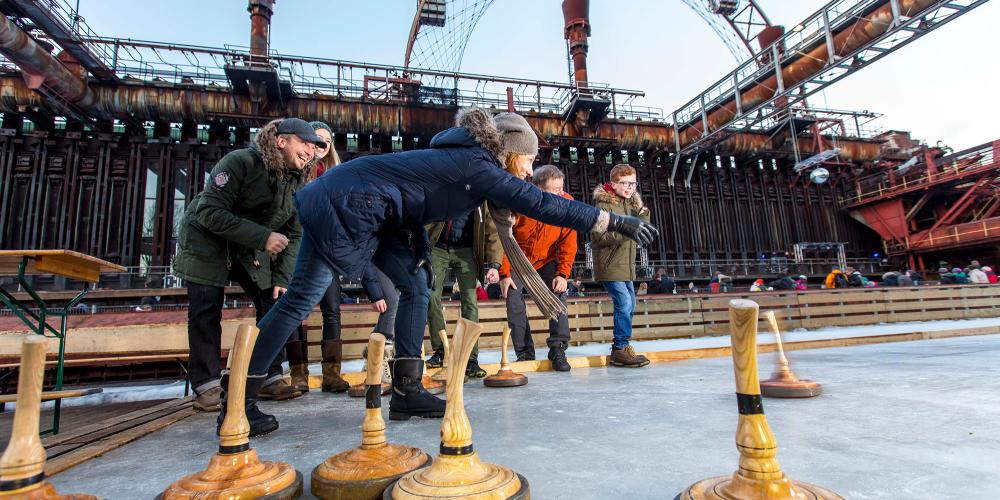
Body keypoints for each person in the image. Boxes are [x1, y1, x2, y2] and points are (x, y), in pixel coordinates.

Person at [230, 108, 656, 435]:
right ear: (509, 151)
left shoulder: (465, 162)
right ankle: (240, 400)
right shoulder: (476, 165)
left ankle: (407, 391)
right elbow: (541, 202)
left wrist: (416, 245)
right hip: (346, 204)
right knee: (304, 298)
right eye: (527, 159)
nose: (529, 169)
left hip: (373, 210)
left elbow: (414, 199)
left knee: (416, 283)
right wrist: (615, 221)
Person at [173, 118, 324, 412]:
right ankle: (206, 386)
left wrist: (282, 276)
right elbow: (209, 212)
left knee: (273, 300)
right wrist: (263, 236)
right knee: (206, 308)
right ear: (282, 141)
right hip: (207, 242)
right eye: (304, 143)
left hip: (249, 246)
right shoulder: (240, 162)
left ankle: (267, 376)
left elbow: (294, 234)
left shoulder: (298, 182)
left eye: (314, 146)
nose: (310, 150)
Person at [305, 121, 400, 394]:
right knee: (297, 309)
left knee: (335, 310)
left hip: (342, 253)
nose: (320, 147)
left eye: (326, 142)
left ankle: (362, 362)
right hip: (310, 248)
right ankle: (284, 373)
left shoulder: (341, 178)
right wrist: (373, 288)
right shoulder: (303, 176)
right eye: (315, 141)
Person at [499, 165, 578, 370]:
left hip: (546, 260)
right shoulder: (520, 203)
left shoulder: (567, 203)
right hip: (517, 258)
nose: (560, 193)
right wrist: (505, 273)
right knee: (513, 301)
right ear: (538, 189)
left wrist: (562, 273)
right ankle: (525, 352)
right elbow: (504, 239)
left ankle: (558, 348)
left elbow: (569, 242)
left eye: (561, 188)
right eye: (555, 190)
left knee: (558, 293)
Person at [424, 200, 502, 379]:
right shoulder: (445, 186)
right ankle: (440, 351)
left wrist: (494, 265)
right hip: (438, 247)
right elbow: (426, 216)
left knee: (470, 301)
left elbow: (492, 231)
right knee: (430, 296)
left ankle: (471, 358)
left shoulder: (482, 198)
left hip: (466, 250)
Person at [592, 164, 652, 368]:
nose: (629, 187)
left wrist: (643, 214)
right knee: (625, 303)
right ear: (613, 184)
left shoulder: (631, 204)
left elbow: (641, 229)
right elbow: (599, 235)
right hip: (609, 264)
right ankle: (620, 348)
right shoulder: (603, 205)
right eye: (624, 183)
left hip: (626, 265)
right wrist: (627, 231)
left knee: (631, 304)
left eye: (633, 183)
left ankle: (622, 348)